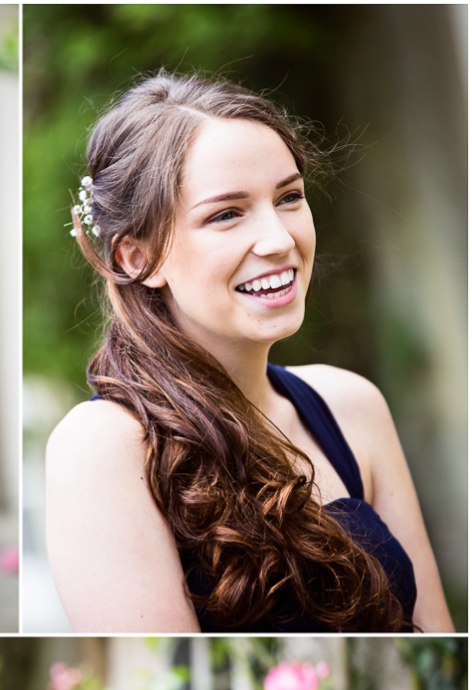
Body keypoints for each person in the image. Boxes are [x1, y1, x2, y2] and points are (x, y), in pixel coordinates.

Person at [46, 72, 453, 634]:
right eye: (226, 214)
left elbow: (437, 641)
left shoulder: (352, 406)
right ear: (138, 257)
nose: (280, 239)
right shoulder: (105, 447)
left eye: (289, 198)